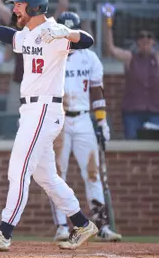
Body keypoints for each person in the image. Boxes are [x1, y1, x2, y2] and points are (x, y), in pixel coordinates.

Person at [0, 0, 97, 251]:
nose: (14, 9)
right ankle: (82, 223)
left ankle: (4, 231)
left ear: (33, 5)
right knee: (46, 177)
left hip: (45, 109)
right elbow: (9, 37)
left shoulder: (55, 32)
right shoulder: (28, 33)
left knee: (18, 170)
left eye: (19, 4)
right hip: (32, 111)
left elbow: (88, 40)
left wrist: (67, 33)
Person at [50, 12, 122, 242]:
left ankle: (101, 225)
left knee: (92, 174)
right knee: (57, 174)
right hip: (58, 118)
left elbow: (96, 90)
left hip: (82, 119)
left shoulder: (89, 57)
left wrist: (102, 121)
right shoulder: (52, 54)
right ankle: (62, 225)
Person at [103, 5, 159, 139]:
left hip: (155, 111)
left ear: (153, 41)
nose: (145, 39)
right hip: (132, 111)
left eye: (148, 37)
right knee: (132, 142)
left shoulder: (157, 58)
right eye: (141, 37)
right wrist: (108, 23)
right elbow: (111, 49)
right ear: (137, 41)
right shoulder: (130, 57)